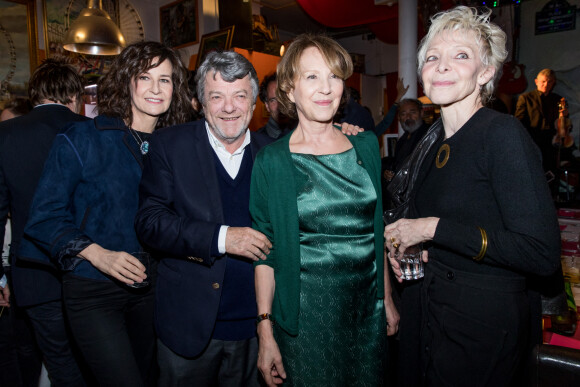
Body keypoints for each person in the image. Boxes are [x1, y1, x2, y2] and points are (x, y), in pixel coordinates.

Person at [384, 6, 561, 386]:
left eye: (460, 55)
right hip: (429, 309)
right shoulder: (429, 145)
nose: (442, 66)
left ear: (485, 73)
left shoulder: (502, 135)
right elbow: (458, 227)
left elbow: (540, 253)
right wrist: (413, 251)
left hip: (481, 325)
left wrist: (431, 229)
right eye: (432, 57)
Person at [22, 42, 191, 386]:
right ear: (127, 80)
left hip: (155, 289)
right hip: (93, 289)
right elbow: (44, 217)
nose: (156, 89)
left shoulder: (178, 146)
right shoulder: (83, 137)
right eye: (145, 77)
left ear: (177, 88)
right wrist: (99, 255)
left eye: (166, 79)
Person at [251, 33, 399, 387]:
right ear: (289, 89)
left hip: (367, 314)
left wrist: (388, 299)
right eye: (312, 76)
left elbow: (376, 232)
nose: (326, 87)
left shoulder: (365, 145)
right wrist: (265, 332)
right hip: (304, 323)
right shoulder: (271, 161)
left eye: (334, 76)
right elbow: (264, 254)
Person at [134, 50, 273, 386]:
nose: (229, 107)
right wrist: (223, 238)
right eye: (217, 97)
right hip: (188, 331)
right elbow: (149, 222)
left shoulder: (274, 154)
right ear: (200, 102)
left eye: (240, 96)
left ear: (254, 102)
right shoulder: (170, 145)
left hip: (258, 332)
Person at [0, 59, 88, 386]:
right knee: (96, 361)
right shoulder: (93, 130)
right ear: (75, 95)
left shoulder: (6, 135)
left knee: (60, 363)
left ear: (34, 94)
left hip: (34, 274)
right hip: (91, 271)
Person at [515, 68, 567, 175]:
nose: (546, 84)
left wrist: (563, 116)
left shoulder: (558, 100)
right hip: (532, 140)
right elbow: (519, 121)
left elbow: (563, 125)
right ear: (536, 82)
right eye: (543, 81)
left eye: (549, 82)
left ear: (553, 83)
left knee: (551, 172)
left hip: (551, 143)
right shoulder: (525, 98)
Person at [383, 98, 430, 182]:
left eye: (413, 112)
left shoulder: (428, 136)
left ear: (421, 113)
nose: (408, 117)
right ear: (399, 118)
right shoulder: (402, 140)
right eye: (403, 114)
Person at [258, 73, 295, 139]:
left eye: (284, 97)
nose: (280, 105)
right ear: (267, 106)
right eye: (273, 100)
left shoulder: (309, 134)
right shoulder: (257, 143)